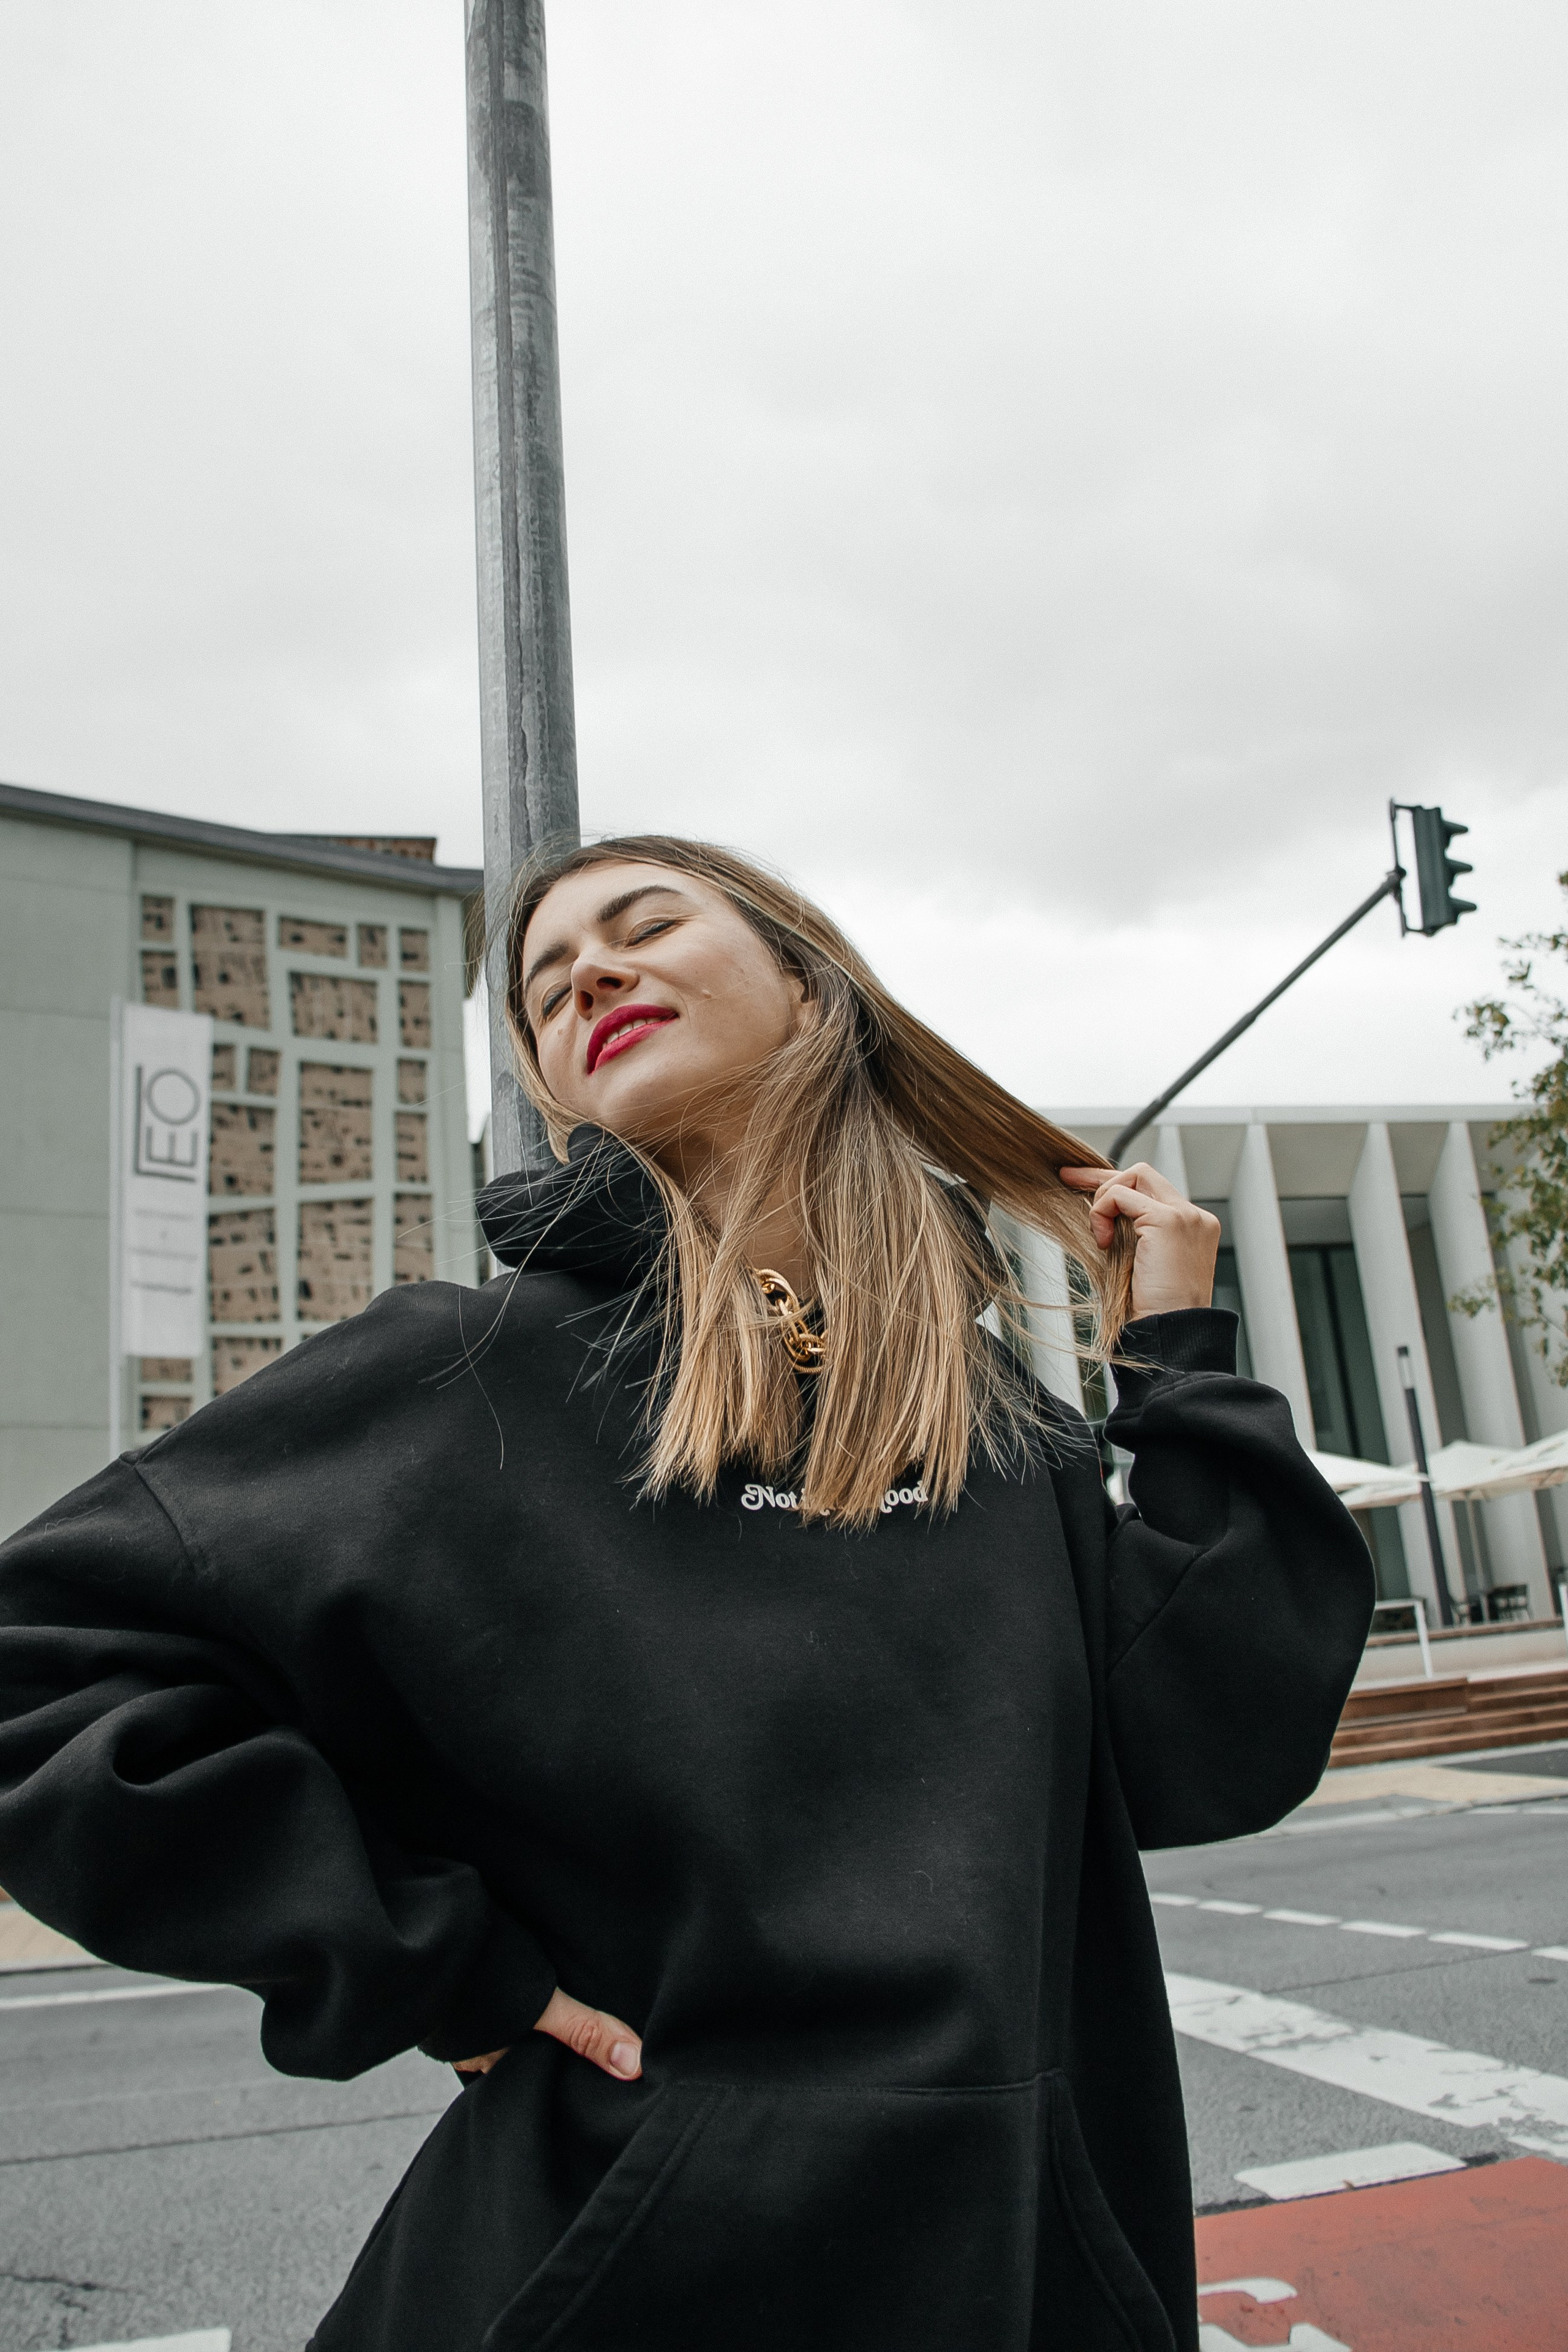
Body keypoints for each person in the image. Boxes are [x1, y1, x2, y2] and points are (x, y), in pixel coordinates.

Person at [0, 836, 1373, 2352]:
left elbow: (1212, 1740)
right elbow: (36, 1663)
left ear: (810, 986)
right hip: (614, 2278)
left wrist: (1175, 1363)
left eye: (646, 924)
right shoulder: (464, 1375)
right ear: (558, 1083)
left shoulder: (995, 1429)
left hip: (1025, 2276)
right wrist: (424, 1959)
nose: (590, 968)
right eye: (545, 984)